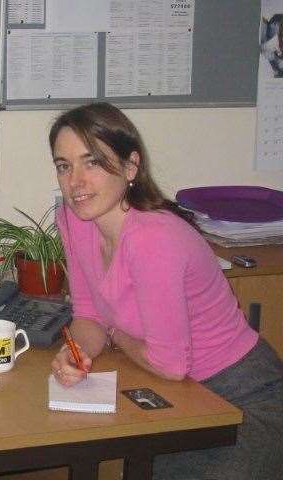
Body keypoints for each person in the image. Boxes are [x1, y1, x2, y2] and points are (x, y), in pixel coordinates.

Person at [49, 103, 283, 479]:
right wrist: (74, 354)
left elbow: (169, 364)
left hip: (246, 397)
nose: (75, 182)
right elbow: (89, 315)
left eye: (92, 162)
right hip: (183, 392)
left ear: (130, 167)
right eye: (64, 165)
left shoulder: (152, 239)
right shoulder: (74, 219)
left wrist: (115, 336)